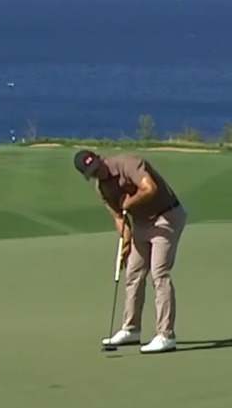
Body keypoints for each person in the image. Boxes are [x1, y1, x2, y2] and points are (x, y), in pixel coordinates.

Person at [75, 149, 188, 354]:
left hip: (167, 216)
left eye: (97, 167)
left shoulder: (129, 164)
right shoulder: (103, 188)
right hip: (142, 222)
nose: (97, 173)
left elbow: (149, 188)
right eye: (92, 173)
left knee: (159, 272)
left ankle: (166, 335)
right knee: (133, 273)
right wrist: (125, 243)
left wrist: (129, 203)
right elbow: (120, 218)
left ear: (101, 159)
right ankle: (131, 329)